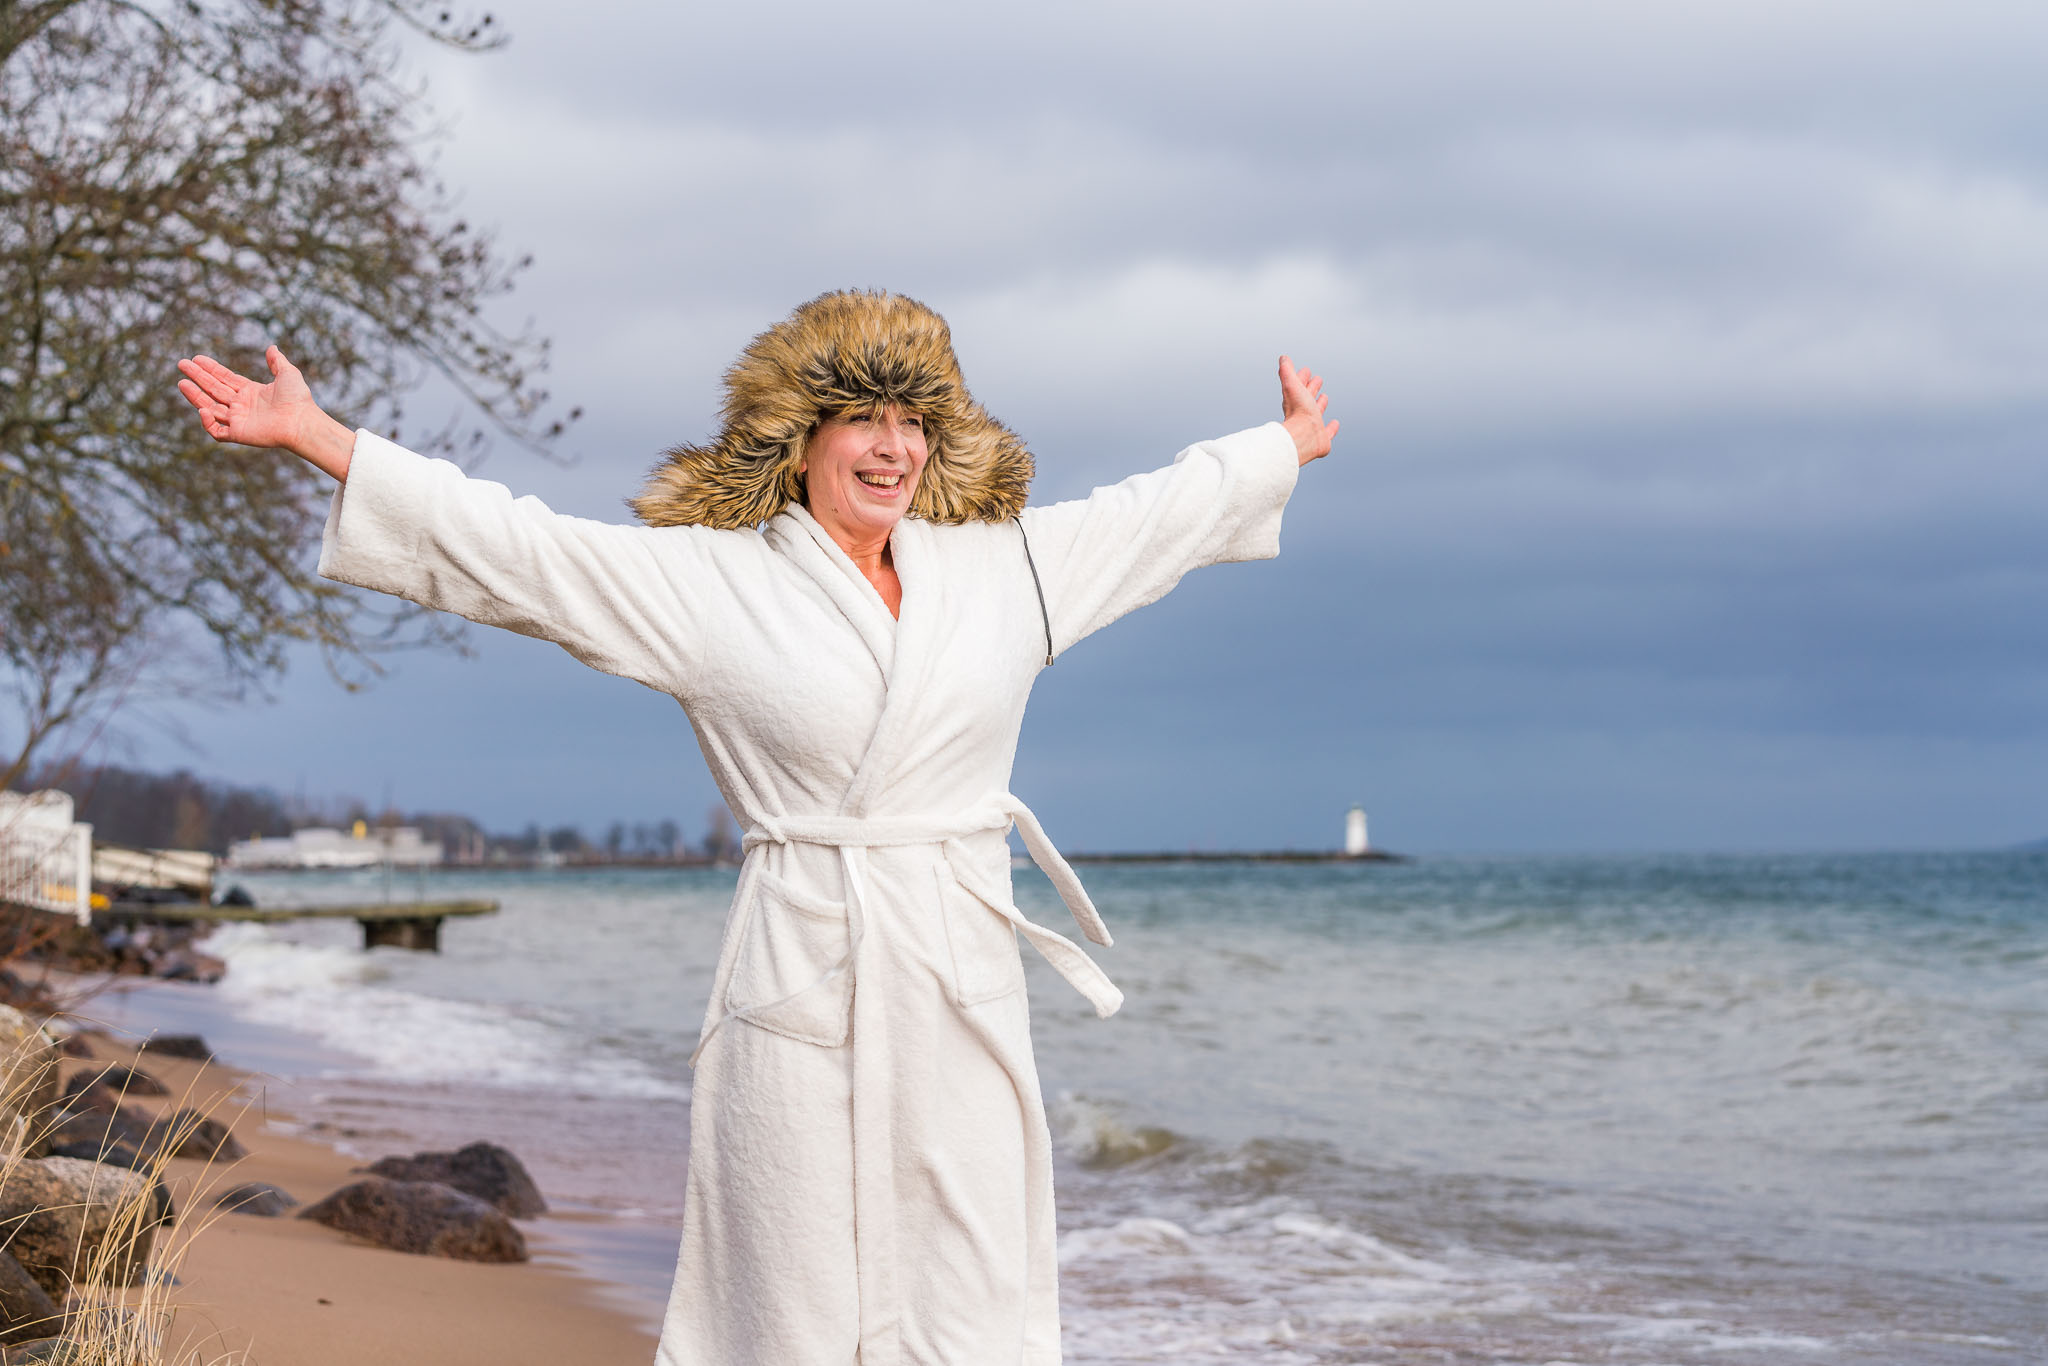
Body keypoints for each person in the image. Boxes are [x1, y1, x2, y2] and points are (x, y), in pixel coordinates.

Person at [175, 289, 1337, 1364]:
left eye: (913, 419)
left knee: (974, 1296)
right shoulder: (712, 585)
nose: (893, 446)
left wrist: (1276, 447)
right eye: (862, 419)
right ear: (802, 434)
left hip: (957, 981)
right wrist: (326, 441)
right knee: (789, 1298)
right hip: (800, 974)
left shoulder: (1005, 570)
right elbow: (522, 551)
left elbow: (1152, 517)